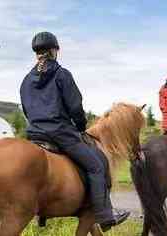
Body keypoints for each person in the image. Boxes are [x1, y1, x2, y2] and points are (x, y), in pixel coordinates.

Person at [20, 32, 129, 231]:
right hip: (60, 133)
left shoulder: (26, 80)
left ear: (37, 53)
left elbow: (27, 110)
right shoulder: (62, 74)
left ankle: (42, 214)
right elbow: (75, 107)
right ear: (55, 50)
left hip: (34, 135)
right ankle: (105, 215)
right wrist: (80, 127)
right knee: (96, 165)